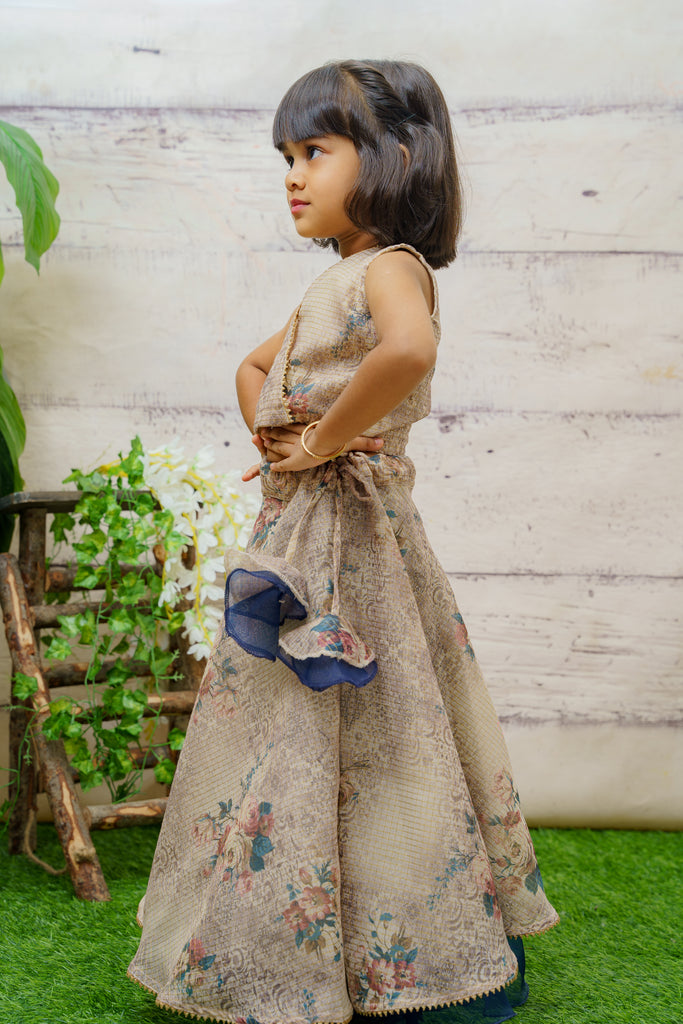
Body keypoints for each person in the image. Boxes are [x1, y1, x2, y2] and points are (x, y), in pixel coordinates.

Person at [128, 59, 559, 1024]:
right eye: (286, 156)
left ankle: (412, 947)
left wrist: (320, 439)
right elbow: (252, 366)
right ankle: (312, 939)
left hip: (361, 538)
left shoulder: (390, 269)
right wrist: (276, 435)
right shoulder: (333, 280)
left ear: (396, 156)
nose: (291, 174)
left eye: (314, 152)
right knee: (302, 719)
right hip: (304, 529)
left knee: (389, 718)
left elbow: (409, 352)